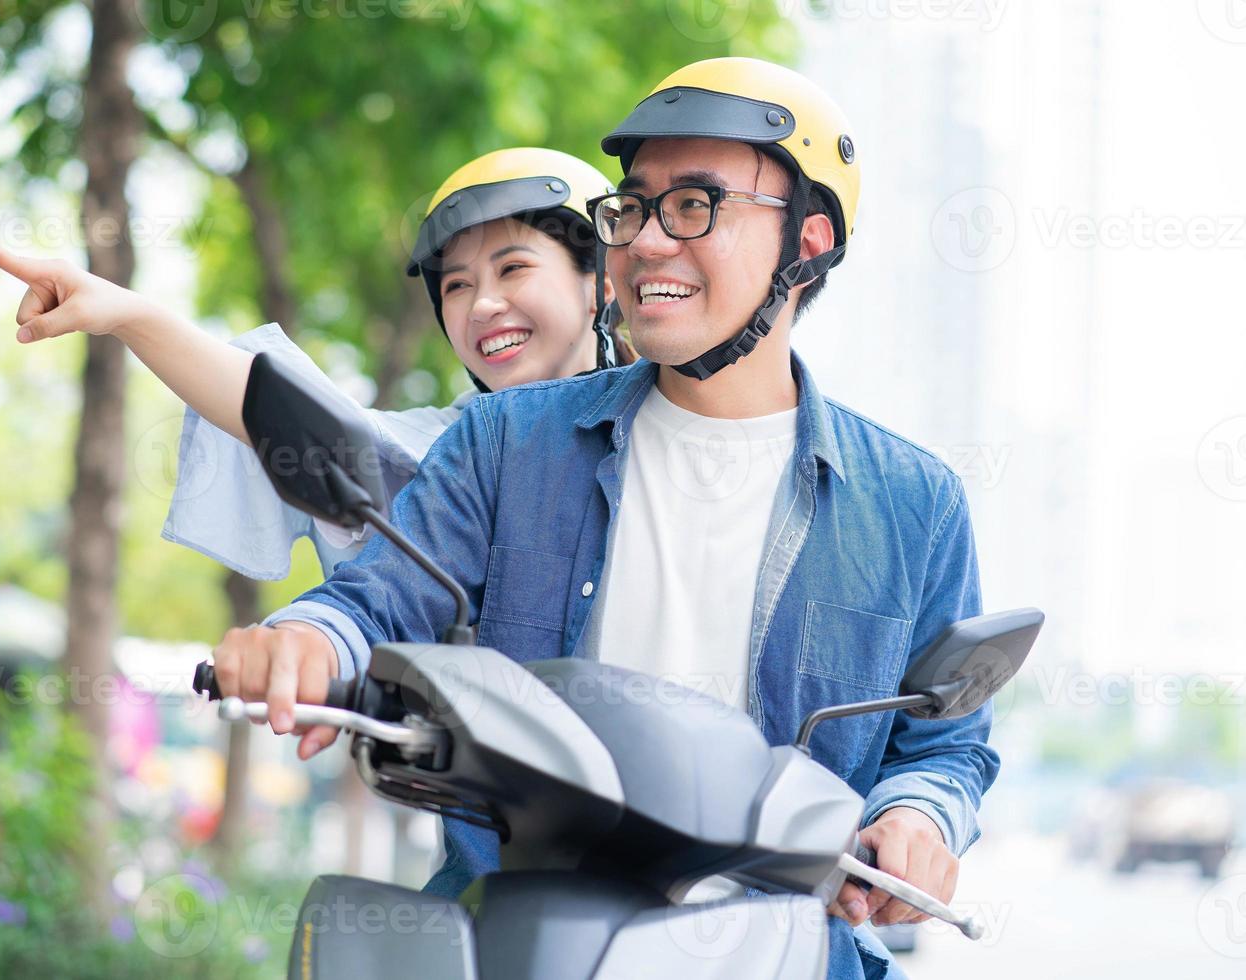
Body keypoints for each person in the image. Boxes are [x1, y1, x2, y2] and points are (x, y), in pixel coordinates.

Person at [208, 57, 996, 980]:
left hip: (780, 950)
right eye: (632, 208)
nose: (648, 241)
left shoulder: (915, 502)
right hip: (515, 932)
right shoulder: (505, 441)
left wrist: (917, 817)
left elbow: (944, 745)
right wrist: (307, 639)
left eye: (696, 204)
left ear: (809, 240)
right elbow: (380, 599)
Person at [0, 146, 633, 580]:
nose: (483, 304)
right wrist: (126, 314)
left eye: (513, 267)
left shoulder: (672, 426)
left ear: (601, 283)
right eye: (456, 285)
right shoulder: (454, 451)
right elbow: (294, 416)